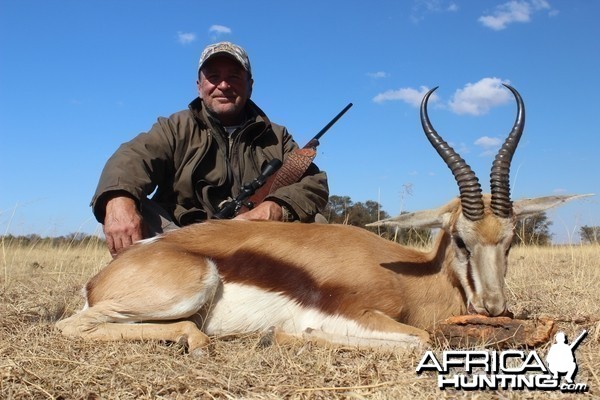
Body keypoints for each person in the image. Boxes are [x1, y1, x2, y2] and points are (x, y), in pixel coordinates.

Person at [92, 41, 329, 257]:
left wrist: (274, 209)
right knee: (131, 204)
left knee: (316, 221)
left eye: (234, 77)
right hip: (182, 240)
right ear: (199, 86)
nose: (223, 85)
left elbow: (314, 183)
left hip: (254, 240)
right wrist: (117, 200)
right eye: (213, 76)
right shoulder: (175, 127)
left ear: (250, 85)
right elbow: (133, 156)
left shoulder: (277, 136)